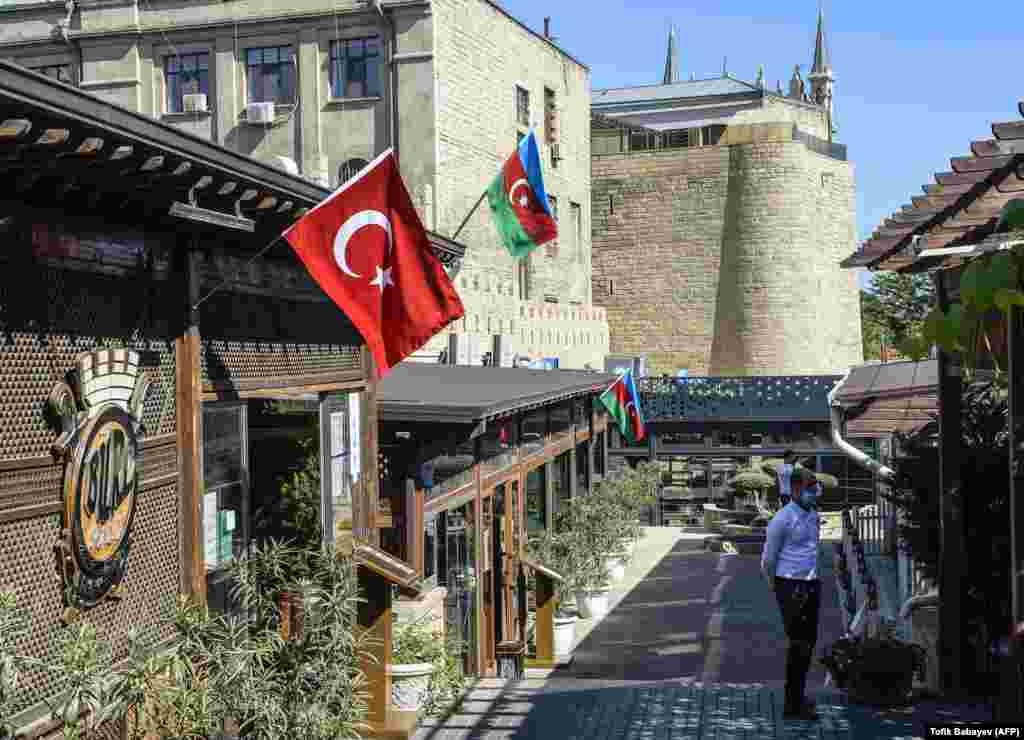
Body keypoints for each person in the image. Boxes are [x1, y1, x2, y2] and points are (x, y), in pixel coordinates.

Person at [761, 468, 822, 721]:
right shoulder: (782, 520)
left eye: (815, 487)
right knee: (798, 645)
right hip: (789, 585)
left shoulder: (813, 515)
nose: (814, 492)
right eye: (809, 488)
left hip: (811, 584)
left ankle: (798, 697)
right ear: (795, 490)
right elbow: (768, 559)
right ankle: (792, 705)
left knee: (808, 645)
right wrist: (774, 586)